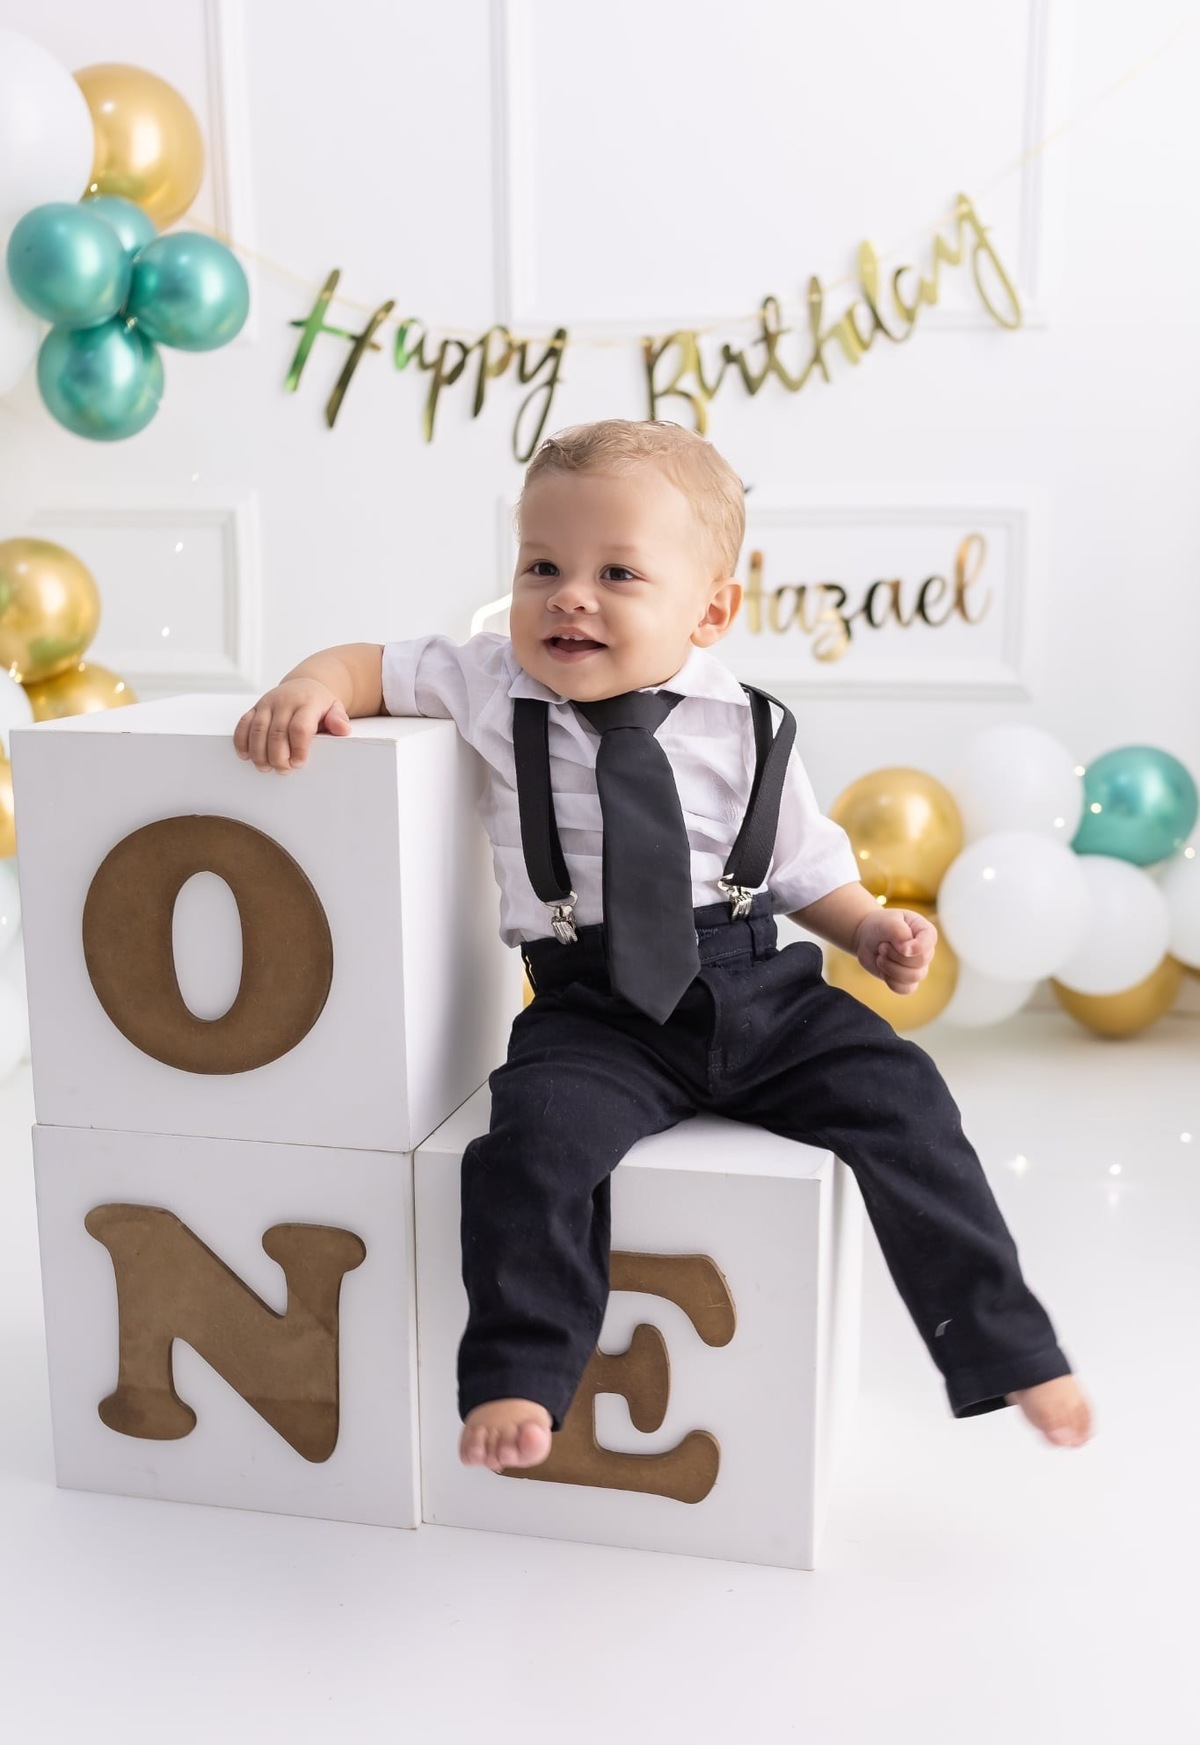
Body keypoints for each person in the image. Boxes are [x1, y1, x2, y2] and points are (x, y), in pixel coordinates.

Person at [234, 418, 1094, 1475]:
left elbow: (801, 865)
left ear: (711, 608)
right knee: (535, 1141)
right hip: (595, 1010)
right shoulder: (487, 684)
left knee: (908, 1100)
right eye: (541, 564)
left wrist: (867, 926)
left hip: (758, 987)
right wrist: (311, 685)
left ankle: (1007, 1344)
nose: (569, 596)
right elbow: (369, 661)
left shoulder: (749, 725)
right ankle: (521, 1372)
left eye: (618, 573)